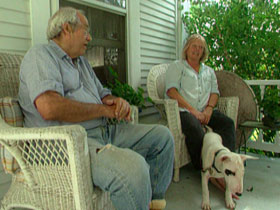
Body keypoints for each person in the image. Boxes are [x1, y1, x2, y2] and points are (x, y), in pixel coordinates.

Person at [18, 7, 174, 210]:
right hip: (69, 146)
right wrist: (101, 110)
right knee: (135, 170)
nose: (89, 37)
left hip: (104, 132)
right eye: (85, 31)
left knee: (163, 137)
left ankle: (151, 202)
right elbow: (49, 107)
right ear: (66, 29)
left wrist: (115, 102)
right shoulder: (41, 55)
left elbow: (102, 95)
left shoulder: (81, 62)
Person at [165, 34, 236, 196]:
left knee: (228, 124)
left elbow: (214, 92)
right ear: (187, 48)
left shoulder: (209, 71)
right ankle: (206, 169)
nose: (197, 50)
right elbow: (171, 91)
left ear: (204, 52)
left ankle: (226, 164)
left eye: (200, 47)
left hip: (206, 110)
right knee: (195, 129)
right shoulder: (177, 67)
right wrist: (193, 111)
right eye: (194, 46)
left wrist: (209, 109)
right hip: (185, 111)